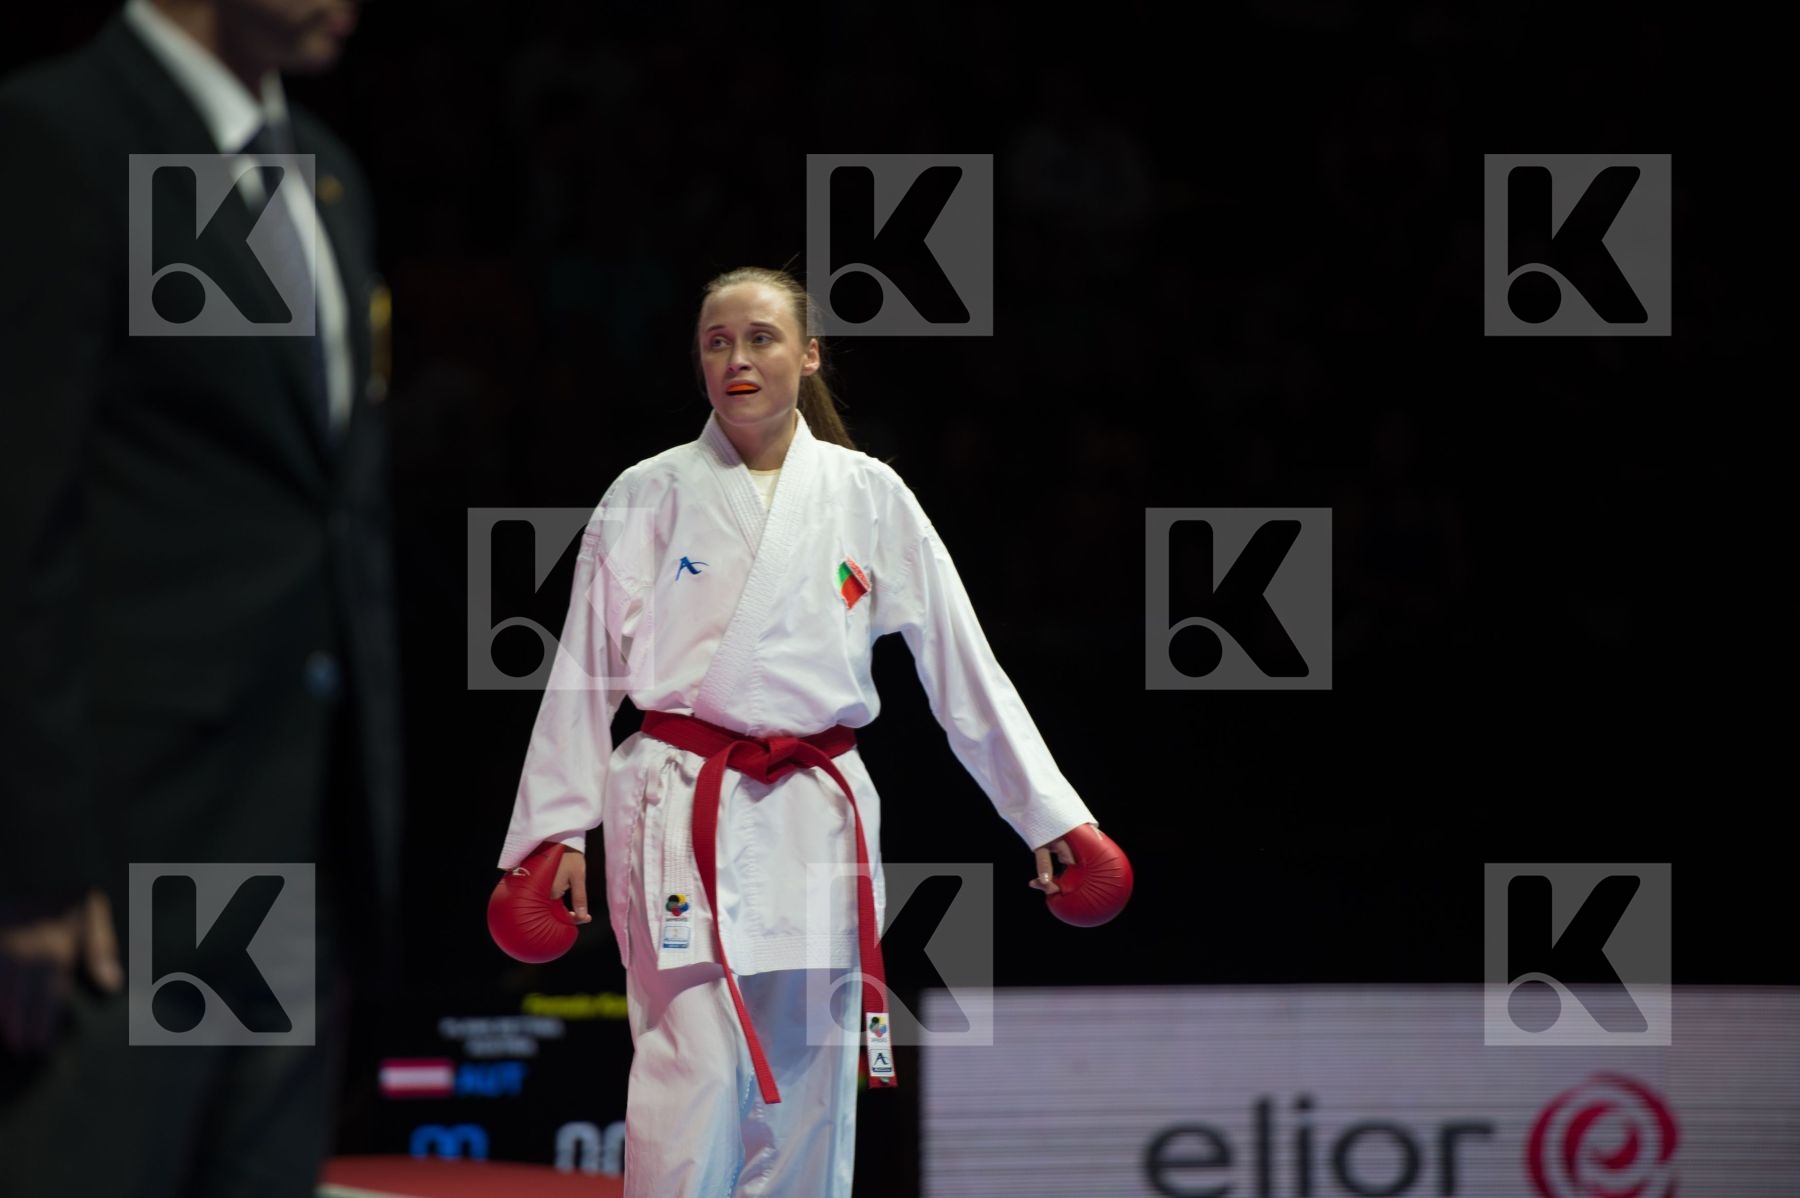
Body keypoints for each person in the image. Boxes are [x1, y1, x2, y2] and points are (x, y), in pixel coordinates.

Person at [497, 265, 1100, 1197]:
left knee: (814, 1102)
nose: (738, 357)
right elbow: (584, 668)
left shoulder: (870, 494)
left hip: (816, 813)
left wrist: (1049, 815)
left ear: (807, 354)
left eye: (762, 337)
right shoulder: (648, 492)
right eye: (716, 341)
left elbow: (961, 665)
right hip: (680, 804)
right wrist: (552, 830)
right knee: (688, 1081)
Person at [0, 1, 401, 1195]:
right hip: (123, 861)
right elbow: (20, 521)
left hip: (291, 822)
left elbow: (331, 515)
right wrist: (31, 864)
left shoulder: (325, 175)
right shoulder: (61, 137)